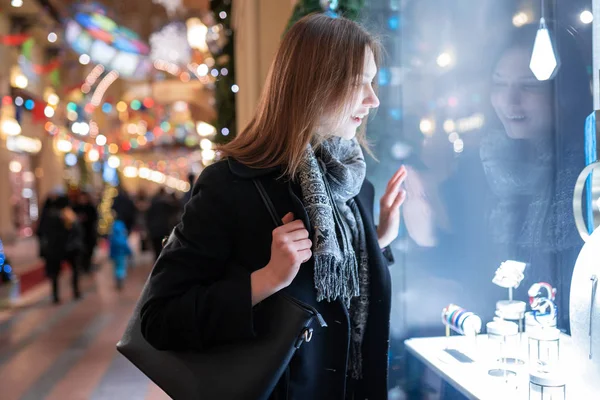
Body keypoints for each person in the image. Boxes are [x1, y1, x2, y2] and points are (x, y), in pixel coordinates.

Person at [140, 14, 407, 400]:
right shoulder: (231, 185)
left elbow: (345, 305)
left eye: (372, 82)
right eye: (357, 84)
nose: (373, 99)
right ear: (315, 85)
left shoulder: (354, 186)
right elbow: (159, 320)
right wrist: (264, 280)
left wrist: (376, 240)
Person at [110, 219, 132, 290]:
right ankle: (120, 280)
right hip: (121, 255)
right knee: (121, 268)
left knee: (116, 268)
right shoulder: (122, 237)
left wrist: (111, 255)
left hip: (115, 256)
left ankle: (118, 279)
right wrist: (129, 252)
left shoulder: (112, 237)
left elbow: (111, 248)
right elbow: (125, 246)